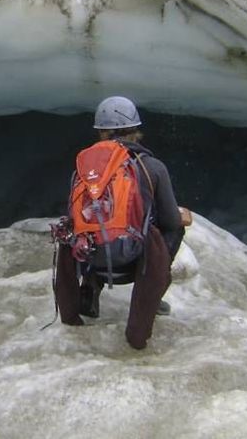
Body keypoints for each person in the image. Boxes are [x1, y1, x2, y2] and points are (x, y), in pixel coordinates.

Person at [54, 96, 189, 349]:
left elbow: (76, 218)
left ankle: (90, 285)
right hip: (133, 257)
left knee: (95, 229)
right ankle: (151, 294)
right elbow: (171, 219)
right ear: (135, 130)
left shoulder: (83, 168)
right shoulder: (152, 166)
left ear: (101, 132)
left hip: (90, 255)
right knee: (173, 229)